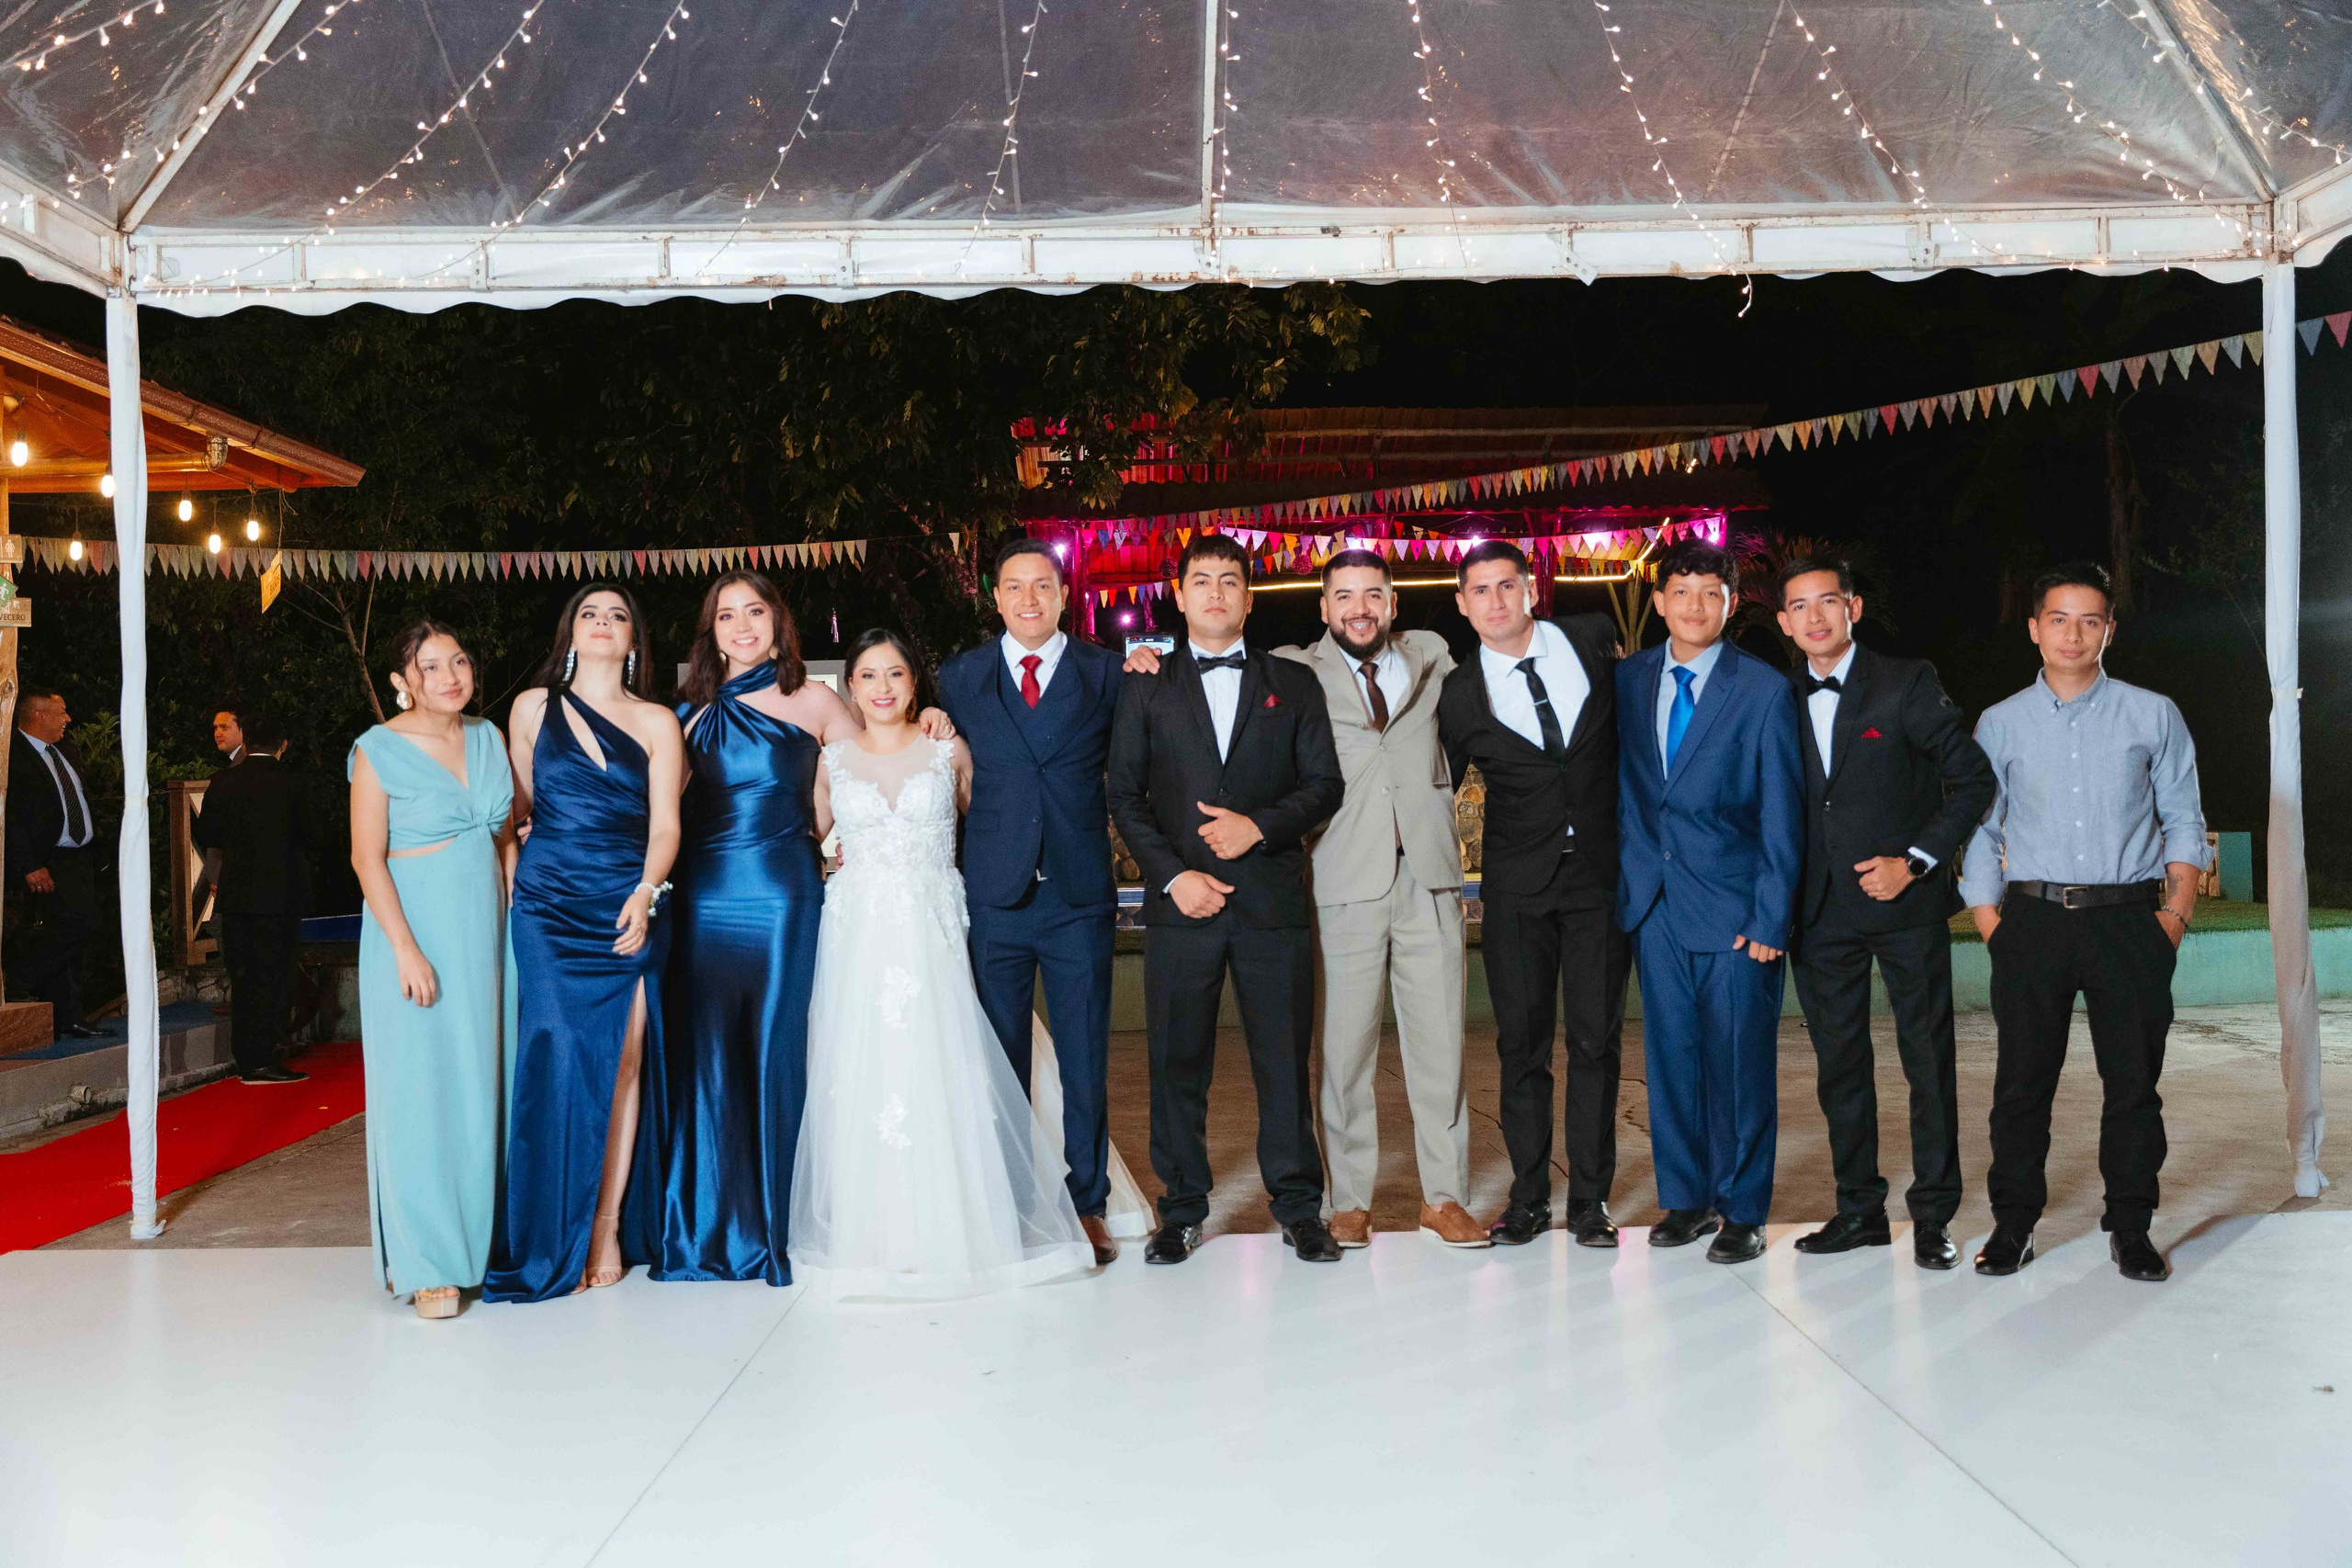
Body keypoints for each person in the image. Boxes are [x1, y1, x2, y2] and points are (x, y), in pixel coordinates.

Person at [649, 571, 948, 1285]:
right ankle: (708, 1230)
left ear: (778, 622)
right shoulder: (684, 711)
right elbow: (657, 807)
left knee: (782, 1051)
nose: (743, 625)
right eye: (728, 615)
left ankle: (786, 1226)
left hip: (784, 895)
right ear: (710, 629)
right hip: (703, 898)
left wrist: (932, 724)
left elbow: (874, 762)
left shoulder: (814, 698)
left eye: (756, 611)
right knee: (709, 1057)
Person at [788, 629, 1095, 1298]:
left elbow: (992, 824)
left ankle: (957, 1223)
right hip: (860, 931)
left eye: (895, 673)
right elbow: (806, 838)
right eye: (868, 675)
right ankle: (874, 1230)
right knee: (866, 1065)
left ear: (915, 684)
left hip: (931, 925)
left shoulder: (945, 749)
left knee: (939, 1059)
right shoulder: (831, 760)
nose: (882, 687)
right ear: (850, 688)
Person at [1962, 562, 2206, 1284]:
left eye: (2089, 620)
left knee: (2133, 1087)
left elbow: (2184, 818)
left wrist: (2174, 917)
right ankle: (2014, 1224)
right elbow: (1981, 828)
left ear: (2110, 630)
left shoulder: (2151, 713)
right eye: (2059, 619)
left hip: (2130, 921)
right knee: (2021, 1085)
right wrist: (1990, 922)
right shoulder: (2000, 722)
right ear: (2035, 628)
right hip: (2031, 921)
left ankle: (2131, 1227)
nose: (2073, 633)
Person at [1107, 534, 1345, 1265]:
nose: (1215, 591)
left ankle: (1300, 1208)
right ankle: (1181, 1209)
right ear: (1179, 595)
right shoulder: (1144, 683)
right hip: (1183, 908)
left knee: (1283, 1060)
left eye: (1230, 580)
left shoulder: (1294, 683)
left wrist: (1260, 827)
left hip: (1272, 905)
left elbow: (1324, 785)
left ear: (1248, 596)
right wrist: (1175, 876)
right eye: (1201, 579)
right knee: (1179, 1063)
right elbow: (1123, 792)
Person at [1776, 559, 1995, 1270]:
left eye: (1828, 602)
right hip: (1819, 914)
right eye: (1800, 607)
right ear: (1784, 622)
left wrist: (1918, 858)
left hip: (1905, 906)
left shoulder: (1906, 681)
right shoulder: (1777, 696)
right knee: (1840, 1068)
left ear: (1854, 607)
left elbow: (1973, 778)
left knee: (1927, 1062)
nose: (1815, 617)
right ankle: (1859, 1212)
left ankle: (1932, 1217)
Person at [486, 583, 685, 1303]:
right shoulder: (532, 707)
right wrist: (511, 872)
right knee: (555, 1048)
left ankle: (603, 1229)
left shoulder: (660, 720)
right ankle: (546, 1226)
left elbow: (667, 825)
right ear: (571, 631)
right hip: (547, 901)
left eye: (619, 615)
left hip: (629, 896)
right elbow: (514, 808)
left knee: (624, 1061)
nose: (603, 623)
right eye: (590, 614)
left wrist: (646, 888)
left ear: (635, 640)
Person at [936, 536, 1131, 1265]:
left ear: (1062, 595)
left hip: (1079, 894)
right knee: (998, 1058)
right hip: (995, 894)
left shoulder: (1107, 672)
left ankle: (1087, 1204)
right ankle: (1011, 1205)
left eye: (1042, 586)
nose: (1028, 599)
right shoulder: (959, 677)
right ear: (995, 598)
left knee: (1084, 1058)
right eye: (1014, 587)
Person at [1615, 536, 1804, 1265]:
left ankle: (1743, 1208)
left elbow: (1783, 814)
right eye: (1681, 592)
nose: (1695, 607)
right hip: (1655, 904)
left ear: (1731, 604)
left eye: (1711, 594)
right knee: (1670, 1059)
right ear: (1660, 600)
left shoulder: (1761, 689)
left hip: (1736, 908)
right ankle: (1687, 1198)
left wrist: (1769, 915)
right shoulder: (1630, 680)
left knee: (1738, 1063)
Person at [1438, 540, 1628, 1248]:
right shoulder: (1458, 693)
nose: (1496, 601)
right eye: (1480, 590)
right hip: (1517, 887)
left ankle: (1590, 1200)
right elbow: (1437, 788)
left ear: (1531, 588)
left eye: (1507, 585)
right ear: (1462, 604)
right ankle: (1527, 1197)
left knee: (1595, 1042)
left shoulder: (1591, 637)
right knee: (1521, 1047)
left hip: (1601, 878)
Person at [348, 622, 517, 1321]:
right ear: (402, 680)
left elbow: (503, 836)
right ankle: (427, 1263)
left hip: (486, 934)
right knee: (419, 1093)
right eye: (430, 665)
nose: (450, 674)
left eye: (459, 659)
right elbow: (365, 858)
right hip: (412, 932)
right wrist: (405, 948)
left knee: (482, 1085)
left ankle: (480, 1248)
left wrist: (514, 918)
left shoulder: (488, 736)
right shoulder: (377, 749)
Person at [193, 709, 319, 1086]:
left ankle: (247, 1059)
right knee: (276, 975)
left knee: (245, 978)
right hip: (279, 895)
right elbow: (313, 836)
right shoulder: (293, 783)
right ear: (283, 745)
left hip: (236, 894)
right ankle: (264, 1056)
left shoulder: (223, 782)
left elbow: (209, 833)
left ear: (247, 740)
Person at [9, 685, 103, 1039]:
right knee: (76, 925)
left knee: (75, 929)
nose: (68, 719)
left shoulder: (64, 749)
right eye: (61, 713)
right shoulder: (13, 754)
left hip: (79, 856)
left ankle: (68, 1016)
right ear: (38, 716)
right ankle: (21, 980)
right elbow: (11, 816)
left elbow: (78, 797)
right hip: (46, 860)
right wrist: (29, 864)